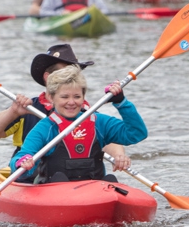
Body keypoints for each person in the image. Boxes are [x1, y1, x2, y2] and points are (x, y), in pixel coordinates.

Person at [0, 44, 131, 172]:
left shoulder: (83, 111)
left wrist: (119, 155)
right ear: (48, 77)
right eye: (66, 73)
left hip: (78, 177)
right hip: (33, 179)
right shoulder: (27, 109)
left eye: (74, 73)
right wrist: (12, 112)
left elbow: (104, 136)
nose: (72, 78)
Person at [11, 65, 147, 184]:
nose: (71, 102)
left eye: (77, 96)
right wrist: (24, 162)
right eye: (65, 97)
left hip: (94, 189)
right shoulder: (45, 128)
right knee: (59, 178)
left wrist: (121, 102)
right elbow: (20, 159)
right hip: (55, 190)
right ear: (52, 98)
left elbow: (136, 134)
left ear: (83, 97)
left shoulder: (98, 122)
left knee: (111, 179)